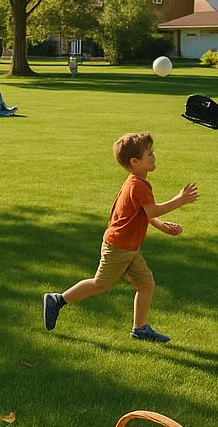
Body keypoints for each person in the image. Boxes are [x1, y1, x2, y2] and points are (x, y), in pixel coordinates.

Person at [42, 132, 198, 342]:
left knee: (146, 284)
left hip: (129, 248)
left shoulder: (137, 182)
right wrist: (180, 200)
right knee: (100, 284)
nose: (154, 157)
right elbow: (152, 211)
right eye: (149, 154)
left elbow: (144, 213)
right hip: (118, 247)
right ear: (134, 162)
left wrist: (163, 227)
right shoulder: (137, 185)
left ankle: (140, 329)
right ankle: (57, 300)